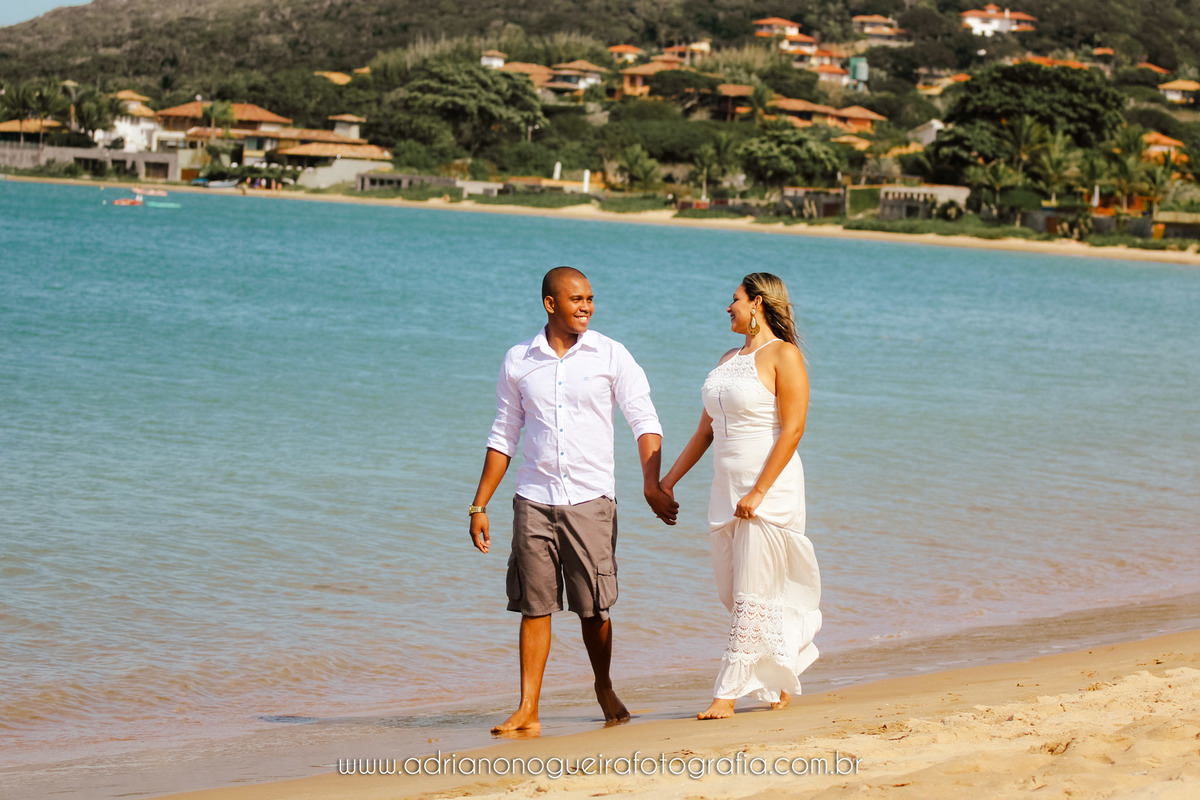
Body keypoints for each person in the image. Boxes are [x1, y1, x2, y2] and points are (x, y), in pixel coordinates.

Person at [470, 266, 679, 734]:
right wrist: (479, 504)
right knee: (534, 606)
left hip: (590, 500)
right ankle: (527, 708)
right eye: (577, 299)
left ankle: (603, 685)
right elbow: (503, 433)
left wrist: (651, 483)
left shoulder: (611, 354)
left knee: (593, 608)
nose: (587, 307)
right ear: (551, 304)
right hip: (533, 499)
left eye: (590, 298)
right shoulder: (519, 360)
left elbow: (644, 420)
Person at [660, 272, 821, 720]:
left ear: (757, 304)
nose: (727, 307)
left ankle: (726, 695)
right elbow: (705, 431)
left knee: (752, 590)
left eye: (734, 299)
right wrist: (668, 482)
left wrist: (759, 491)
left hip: (768, 488)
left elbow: (793, 429)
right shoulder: (727, 359)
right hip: (725, 489)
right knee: (734, 592)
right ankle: (781, 673)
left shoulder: (784, 355)